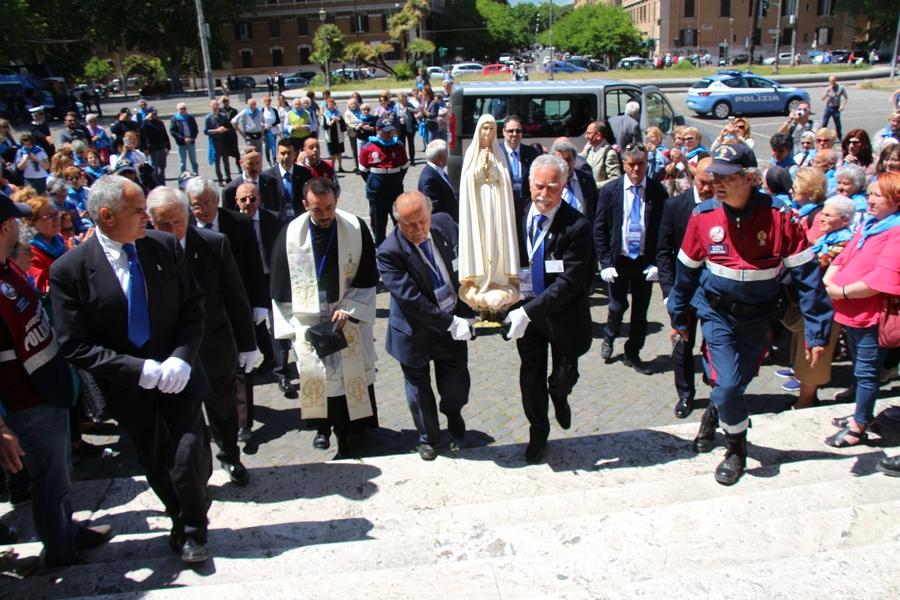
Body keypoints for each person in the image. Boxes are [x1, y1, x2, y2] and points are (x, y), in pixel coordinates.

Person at [50, 175, 212, 562]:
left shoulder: (165, 246)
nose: (147, 217)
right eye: (138, 211)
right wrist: (139, 370)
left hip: (180, 376)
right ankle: (179, 520)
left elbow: (193, 306)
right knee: (156, 460)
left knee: (187, 455)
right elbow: (75, 344)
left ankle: (194, 530)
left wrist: (180, 358)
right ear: (107, 216)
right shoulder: (69, 270)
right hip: (129, 387)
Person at [667, 143, 832, 486]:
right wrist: (679, 318)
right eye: (714, 176)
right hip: (716, 314)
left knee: (734, 385)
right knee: (727, 385)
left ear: (751, 179)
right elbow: (685, 273)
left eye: (727, 177)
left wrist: (817, 331)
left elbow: (808, 278)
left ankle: (716, 412)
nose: (717, 184)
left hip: (758, 319)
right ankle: (736, 449)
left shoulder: (780, 218)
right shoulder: (703, 217)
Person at [0, 194, 113, 569]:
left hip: (49, 389)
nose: (22, 226)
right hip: (25, 401)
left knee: (61, 472)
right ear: (5, 227)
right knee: (49, 480)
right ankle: (60, 550)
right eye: (16, 222)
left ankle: (66, 528)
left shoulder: (7, 268)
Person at [146, 186, 256, 483]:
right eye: (161, 224)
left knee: (224, 410)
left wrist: (248, 343)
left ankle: (230, 457)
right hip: (171, 354)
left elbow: (235, 297)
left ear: (187, 216)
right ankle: (200, 469)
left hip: (214, 345)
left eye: (176, 222)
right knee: (186, 421)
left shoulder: (214, 244)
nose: (170, 230)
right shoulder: (143, 249)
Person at [270, 177, 379, 457]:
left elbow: (367, 274)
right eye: (317, 209)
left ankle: (348, 433)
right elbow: (280, 285)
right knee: (315, 377)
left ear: (336, 201)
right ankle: (322, 428)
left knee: (347, 378)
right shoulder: (291, 234)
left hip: (345, 312)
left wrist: (350, 308)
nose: (325, 214)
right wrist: (292, 325)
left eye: (329, 207)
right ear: (305, 205)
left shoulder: (354, 227)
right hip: (309, 318)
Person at [502, 155, 595, 464]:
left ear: (564, 186)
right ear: (529, 184)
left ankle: (560, 393)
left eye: (552, 188)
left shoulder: (577, 225)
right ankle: (538, 431)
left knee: (564, 374)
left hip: (563, 316)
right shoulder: (516, 213)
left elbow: (569, 282)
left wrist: (527, 312)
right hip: (526, 314)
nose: (543, 194)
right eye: (538, 186)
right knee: (530, 377)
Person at [377, 192, 474, 460]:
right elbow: (411, 300)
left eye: (422, 221)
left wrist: (470, 309)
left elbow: (464, 266)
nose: (419, 229)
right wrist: (452, 322)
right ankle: (428, 437)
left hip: (452, 325)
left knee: (456, 385)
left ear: (430, 215)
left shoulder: (444, 224)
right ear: (398, 223)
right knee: (418, 391)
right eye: (410, 225)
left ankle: (453, 412)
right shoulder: (389, 252)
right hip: (414, 332)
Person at [186, 177, 268, 438]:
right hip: (204, 312)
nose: (203, 210)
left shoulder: (238, 223)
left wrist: (259, 303)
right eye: (196, 206)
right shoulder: (182, 228)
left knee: (243, 363)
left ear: (217, 201)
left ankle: (244, 422)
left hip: (238, 304)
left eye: (207, 203)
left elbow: (254, 265)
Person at [821, 172, 900, 448]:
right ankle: (860, 412)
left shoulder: (896, 231)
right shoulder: (871, 224)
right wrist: (829, 279)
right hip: (850, 312)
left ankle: (859, 426)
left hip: (871, 315)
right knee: (859, 369)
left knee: (867, 372)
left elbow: (881, 280)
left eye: (878, 195)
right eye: (871, 193)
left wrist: (839, 291)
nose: (871, 199)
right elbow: (845, 255)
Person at [595, 143, 668, 374]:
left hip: (644, 262)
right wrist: (605, 262)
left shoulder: (657, 191)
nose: (636, 169)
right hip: (619, 260)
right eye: (631, 164)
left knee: (640, 311)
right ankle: (609, 335)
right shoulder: (610, 191)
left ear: (647, 163)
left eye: (641, 164)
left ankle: (633, 352)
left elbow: (664, 230)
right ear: (624, 164)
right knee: (617, 306)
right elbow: (600, 228)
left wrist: (658, 263)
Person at [657, 157, 716, 418]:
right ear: (694, 176)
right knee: (682, 343)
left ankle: (716, 392)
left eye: (713, 185)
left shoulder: (724, 205)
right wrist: (668, 292)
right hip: (684, 290)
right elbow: (663, 252)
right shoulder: (675, 206)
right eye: (703, 183)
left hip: (715, 290)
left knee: (716, 343)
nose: (707, 189)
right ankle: (685, 394)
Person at [787, 195, 855, 409]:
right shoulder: (826, 239)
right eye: (822, 213)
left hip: (825, 306)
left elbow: (817, 265)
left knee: (815, 354)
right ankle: (806, 396)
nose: (821, 218)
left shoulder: (842, 242)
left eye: (828, 214)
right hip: (812, 303)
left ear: (844, 220)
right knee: (802, 350)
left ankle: (805, 401)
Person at [233, 181, 296, 404]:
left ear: (259, 199)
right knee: (254, 323)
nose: (248, 203)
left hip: (272, 278)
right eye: (243, 199)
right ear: (236, 201)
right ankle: (269, 356)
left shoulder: (273, 218)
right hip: (247, 282)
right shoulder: (232, 223)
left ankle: (281, 371)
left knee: (278, 324)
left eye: (252, 198)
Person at [457, 115, 520, 318]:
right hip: (478, 207)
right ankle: (480, 281)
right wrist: (480, 168)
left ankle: (499, 280)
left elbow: (505, 182)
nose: (488, 133)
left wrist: (492, 168)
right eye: (484, 129)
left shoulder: (499, 154)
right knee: (481, 242)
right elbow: (466, 183)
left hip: (496, 205)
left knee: (496, 240)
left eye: (491, 129)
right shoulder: (470, 154)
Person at [358, 116, 409, 245]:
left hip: (395, 192)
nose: (388, 134)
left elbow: (403, 168)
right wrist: (375, 183)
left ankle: (400, 247)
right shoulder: (368, 148)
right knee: (378, 225)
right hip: (377, 195)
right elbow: (364, 172)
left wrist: (394, 181)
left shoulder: (398, 146)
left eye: (390, 131)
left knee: (400, 222)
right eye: (385, 131)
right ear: (377, 130)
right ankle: (380, 249)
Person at [499, 116, 541, 216]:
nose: (514, 134)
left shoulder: (531, 153)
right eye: (510, 131)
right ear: (504, 132)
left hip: (525, 207)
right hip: (504, 205)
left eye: (518, 131)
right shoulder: (497, 153)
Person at [551, 139, 598, 222]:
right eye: (561, 161)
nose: (565, 164)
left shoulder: (586, 179)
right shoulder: (549, 182)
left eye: (568, 159)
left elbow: (596, 206)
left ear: (574, 159)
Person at [264, 138, 310, 221]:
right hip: (277, 222)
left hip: (299, 220)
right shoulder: (267, 177)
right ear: (277, 154)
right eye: (283, 153)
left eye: (289, 153)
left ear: (295, 154)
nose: (286, 157)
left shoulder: (305, 173)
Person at [223, 147, 279, 212]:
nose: (254, 167)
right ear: (241, 163)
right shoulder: (230, 190)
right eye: (250, 164)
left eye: (257, 163)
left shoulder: (271, 183)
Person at [418, 139, 458, 221]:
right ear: (440, 157)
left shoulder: (438, 171)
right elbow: (434, 211)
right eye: (447, 153)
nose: (448, 156)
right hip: (445, 225)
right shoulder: (429, 179)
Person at [580, 120, 622, 190]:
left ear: (598, 136)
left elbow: (615, 180)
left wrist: (594, 185)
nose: (585, 136)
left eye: (589, 133)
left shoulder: (609, 153)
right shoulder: (589, 149)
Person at [204, 99, 235, 185]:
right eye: (213, 106)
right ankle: (220, 179)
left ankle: (228, 177)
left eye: (217, 105)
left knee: (226, 161)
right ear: (210, 107)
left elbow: (230, 127)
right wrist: (216, 130)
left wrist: (225, 129)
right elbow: (206, 131)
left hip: (224, 141)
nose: (215, 107)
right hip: (215, 142)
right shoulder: (208, 118)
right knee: (217, 162)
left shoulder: (223, 116)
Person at [139, 108, 171, 186]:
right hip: (152, 149)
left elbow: (165, 135)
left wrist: (168, 146)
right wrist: (145, 148)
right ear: (149, 114)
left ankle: (162, 184)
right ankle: (155, 185)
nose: (155, 115)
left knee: (162, 167)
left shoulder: (160, 122)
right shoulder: (145, 123)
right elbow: (142, 136)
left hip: (161, 147)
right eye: (153, 113)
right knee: (154, 169)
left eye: (156, 113)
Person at [169, 103, 199, 176]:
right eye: (181, 109)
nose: (182, 110)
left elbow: (195, 129)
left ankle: (195, 173)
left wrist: (192, 138)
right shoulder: (175, 119)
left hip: (191, 142)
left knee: (193, 160)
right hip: (181, 143)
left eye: (184, 108)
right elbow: (173, 131)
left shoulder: (190, 118)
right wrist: (183, 139)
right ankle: (183, 175)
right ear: (178, 110)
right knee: (182, 162)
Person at [321, 96, 345, 173]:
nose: (331, 106)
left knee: (339, 152)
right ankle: (332, 167)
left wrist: (339, 120)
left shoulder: (338, 113)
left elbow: (343, 124)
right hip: (330, 136)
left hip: (339, 135)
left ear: (335, 105)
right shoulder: (325, 115)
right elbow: (324, 126)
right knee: (332, 153)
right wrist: (331, 122)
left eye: (332, 104)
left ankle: (340, 166)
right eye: (329, 105)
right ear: (327, 106)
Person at [260, 95, 281, 167]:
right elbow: (260, 120)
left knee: (273, 146)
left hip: (273, 130)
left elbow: (278, 120)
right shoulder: (262, 110)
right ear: (264, 102)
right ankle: (268, 160)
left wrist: (271, 125)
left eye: (269, 101)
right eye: (266, 101)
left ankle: (274, 160)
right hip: (266, 131)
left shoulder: (274, 110)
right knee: (267, 146)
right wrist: (264, 126)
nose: (268, 102)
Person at [344, 98, 363, 172]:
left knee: (361, 148)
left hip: (361, 132)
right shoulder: (347, 113)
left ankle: (362, 163)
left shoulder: (360, 111)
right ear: (349, 105)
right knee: (354, 149)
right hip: (352, 133)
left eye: (354, 103)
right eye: (351, 104)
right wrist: (356, 126)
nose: (353, 105)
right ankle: (356, 164)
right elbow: (347, 123)